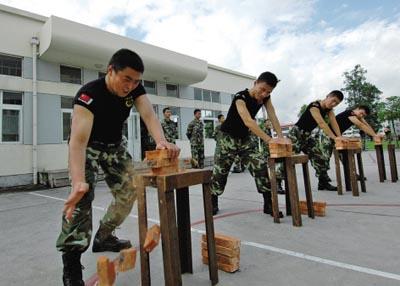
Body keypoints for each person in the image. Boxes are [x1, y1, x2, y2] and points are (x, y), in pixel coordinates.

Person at [56, 49, 180, 286]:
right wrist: (78, 180)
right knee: (82, 198)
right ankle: (71, 265)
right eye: (127, 79)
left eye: (136, 81)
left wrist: (161, 140)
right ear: (110, 71)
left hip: (115, 146)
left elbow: (149, 116)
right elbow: (77, 142)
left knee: (130, 190)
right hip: (89, 146)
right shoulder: (88, 95)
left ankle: (104, 236)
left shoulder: (135, 89)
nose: (131, 86)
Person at [211, 71, 289, 216]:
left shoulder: (266, 98)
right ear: (255, 83)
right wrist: (269, 140)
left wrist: (280, 137)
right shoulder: (240, 97)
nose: (264, 94)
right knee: (220, 172)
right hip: (227, 138)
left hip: (245, 139)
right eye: (262, 89)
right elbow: (248, 121)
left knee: (260, 166)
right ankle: (213, 201)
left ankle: (268, 204)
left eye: (268, 92)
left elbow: (272, 115)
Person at [285, 90, 347, 191]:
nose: (333, 104)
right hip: (295, 134)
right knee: (288, 159)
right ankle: (277, 183)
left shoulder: (329, 110)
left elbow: (334, 122)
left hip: (307, 136)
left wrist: (339, 136)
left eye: (336, 103)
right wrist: (334, 138)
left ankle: (323, 182)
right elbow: (322, 123)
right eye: (333, 101)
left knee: (320, 158)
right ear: (327, 96)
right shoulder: (314, 106)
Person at [259, 118, 285, 194]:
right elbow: (260, 141)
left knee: (274, 167)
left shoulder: (271, 130)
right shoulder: (264, 130)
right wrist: (261, 151)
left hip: (272, 150)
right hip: (267, 151)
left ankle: (276, 185)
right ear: (264, 123)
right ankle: (275, 185)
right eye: (267, 122)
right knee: (271, 167)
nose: (269, 123)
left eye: (269, 121)